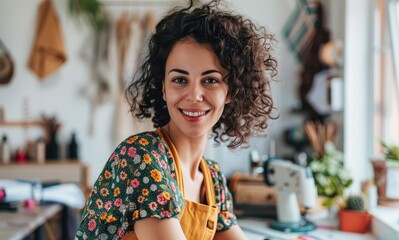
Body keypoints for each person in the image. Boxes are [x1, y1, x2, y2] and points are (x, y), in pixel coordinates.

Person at [74, 0, 277, 239]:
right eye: (180, 80)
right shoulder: (141, 157)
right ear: (163, 89)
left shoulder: (212, 180)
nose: (193, 95)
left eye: (210, 80)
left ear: (231, 91)